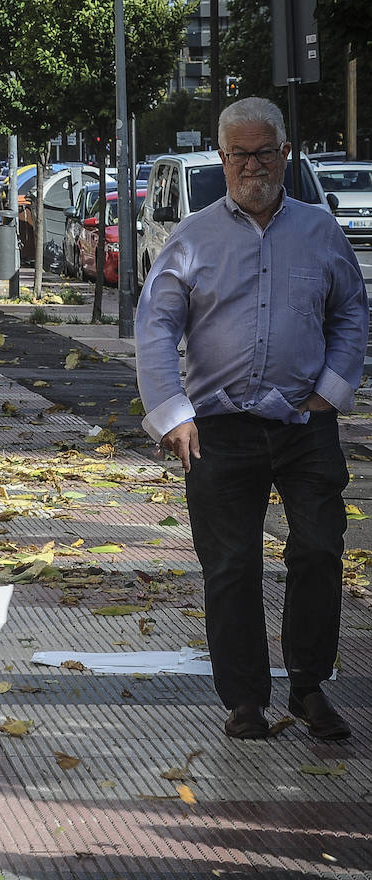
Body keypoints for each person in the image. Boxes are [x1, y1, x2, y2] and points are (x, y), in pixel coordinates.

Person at [135, 97, 367, 742]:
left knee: (319, 551)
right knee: (231, 565)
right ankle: (244, 701)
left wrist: (332, 389)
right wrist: (172, 414)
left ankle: (311, 687)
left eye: (264, 152)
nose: (252, 165)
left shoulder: (320, 232)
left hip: (304, 422)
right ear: (222, 158)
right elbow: (155, 327)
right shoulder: (193, 236)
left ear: (286, 153)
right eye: (239, 154)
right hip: (218, 428)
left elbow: (351, 314)